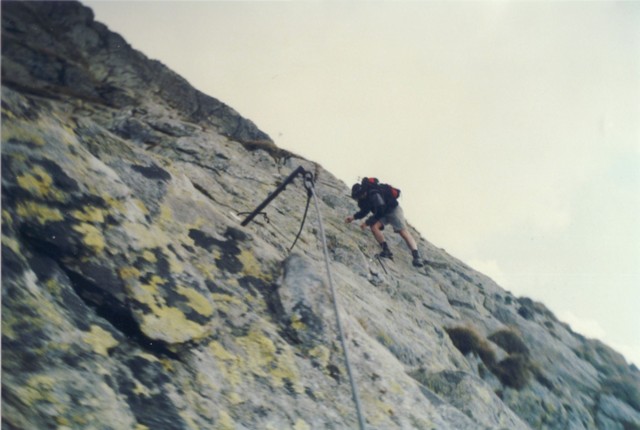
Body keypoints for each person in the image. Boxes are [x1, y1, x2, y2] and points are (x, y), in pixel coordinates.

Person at [345, 178, 424, 268]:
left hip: (393, 210)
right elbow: (365, 211)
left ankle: (416, 256)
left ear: (363, 192)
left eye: (360, 196)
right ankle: (386, 250)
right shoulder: (364, 199)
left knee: (402, 231)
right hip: (383, 213)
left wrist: (367, 222)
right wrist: (353, 217)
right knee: (374, 227)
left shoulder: (374, 194)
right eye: (358, 197)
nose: (360, 198)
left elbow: (380, 210)